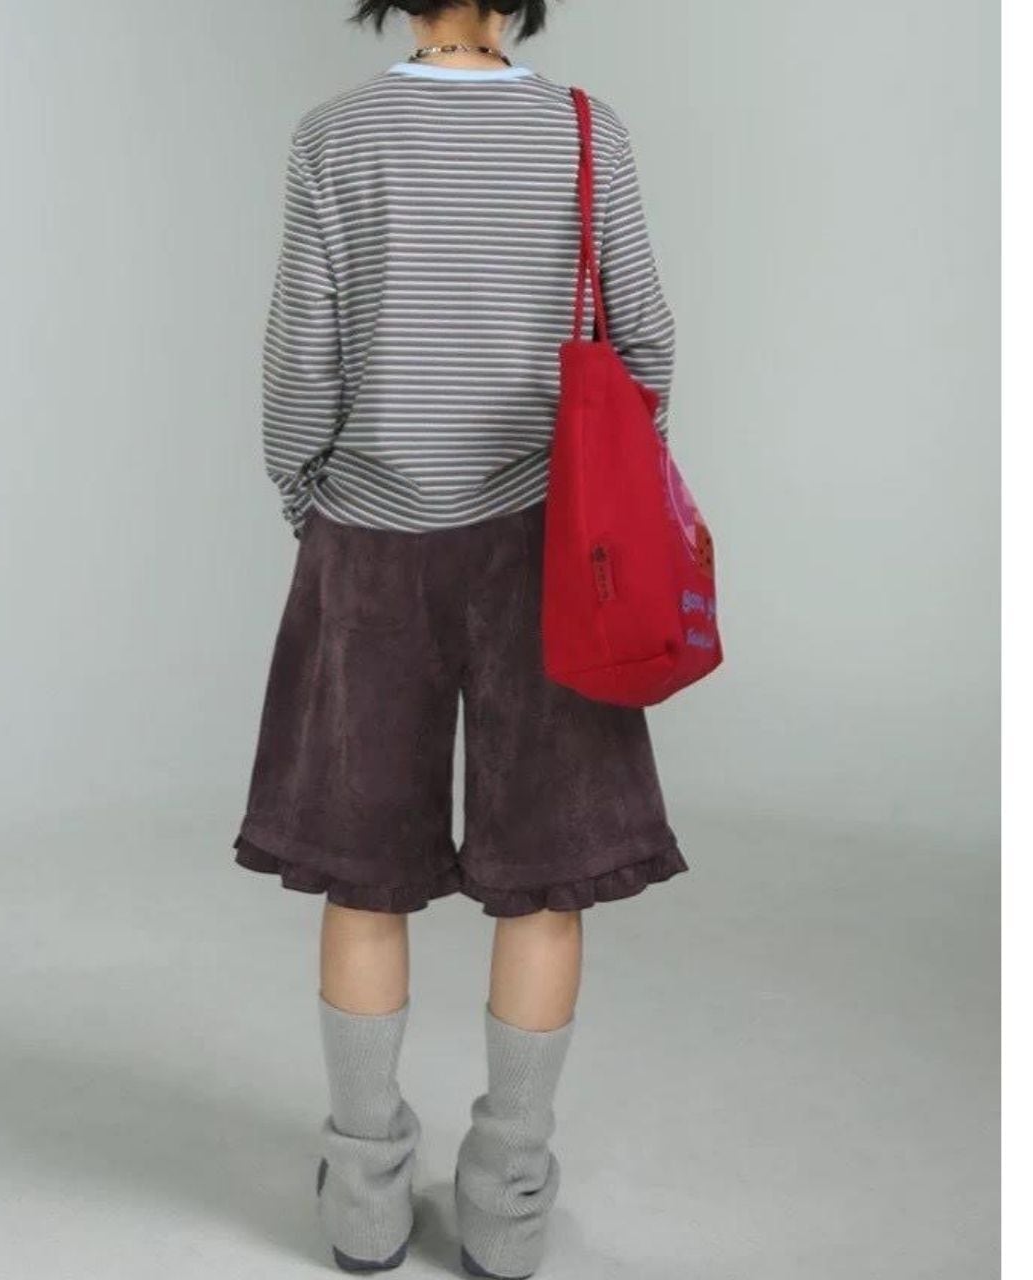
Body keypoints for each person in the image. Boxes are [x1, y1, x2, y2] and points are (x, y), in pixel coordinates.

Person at [232, 2, 683, 1274]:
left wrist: (313, 500)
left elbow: (300, 364)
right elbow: (643, 341)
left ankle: (365, 1198)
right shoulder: (586, 131)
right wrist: (602, 489)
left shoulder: (336, 136)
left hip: (370, 541)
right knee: (542, 877)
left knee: (362, 873)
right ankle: (505, 1206)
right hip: (549, 547)